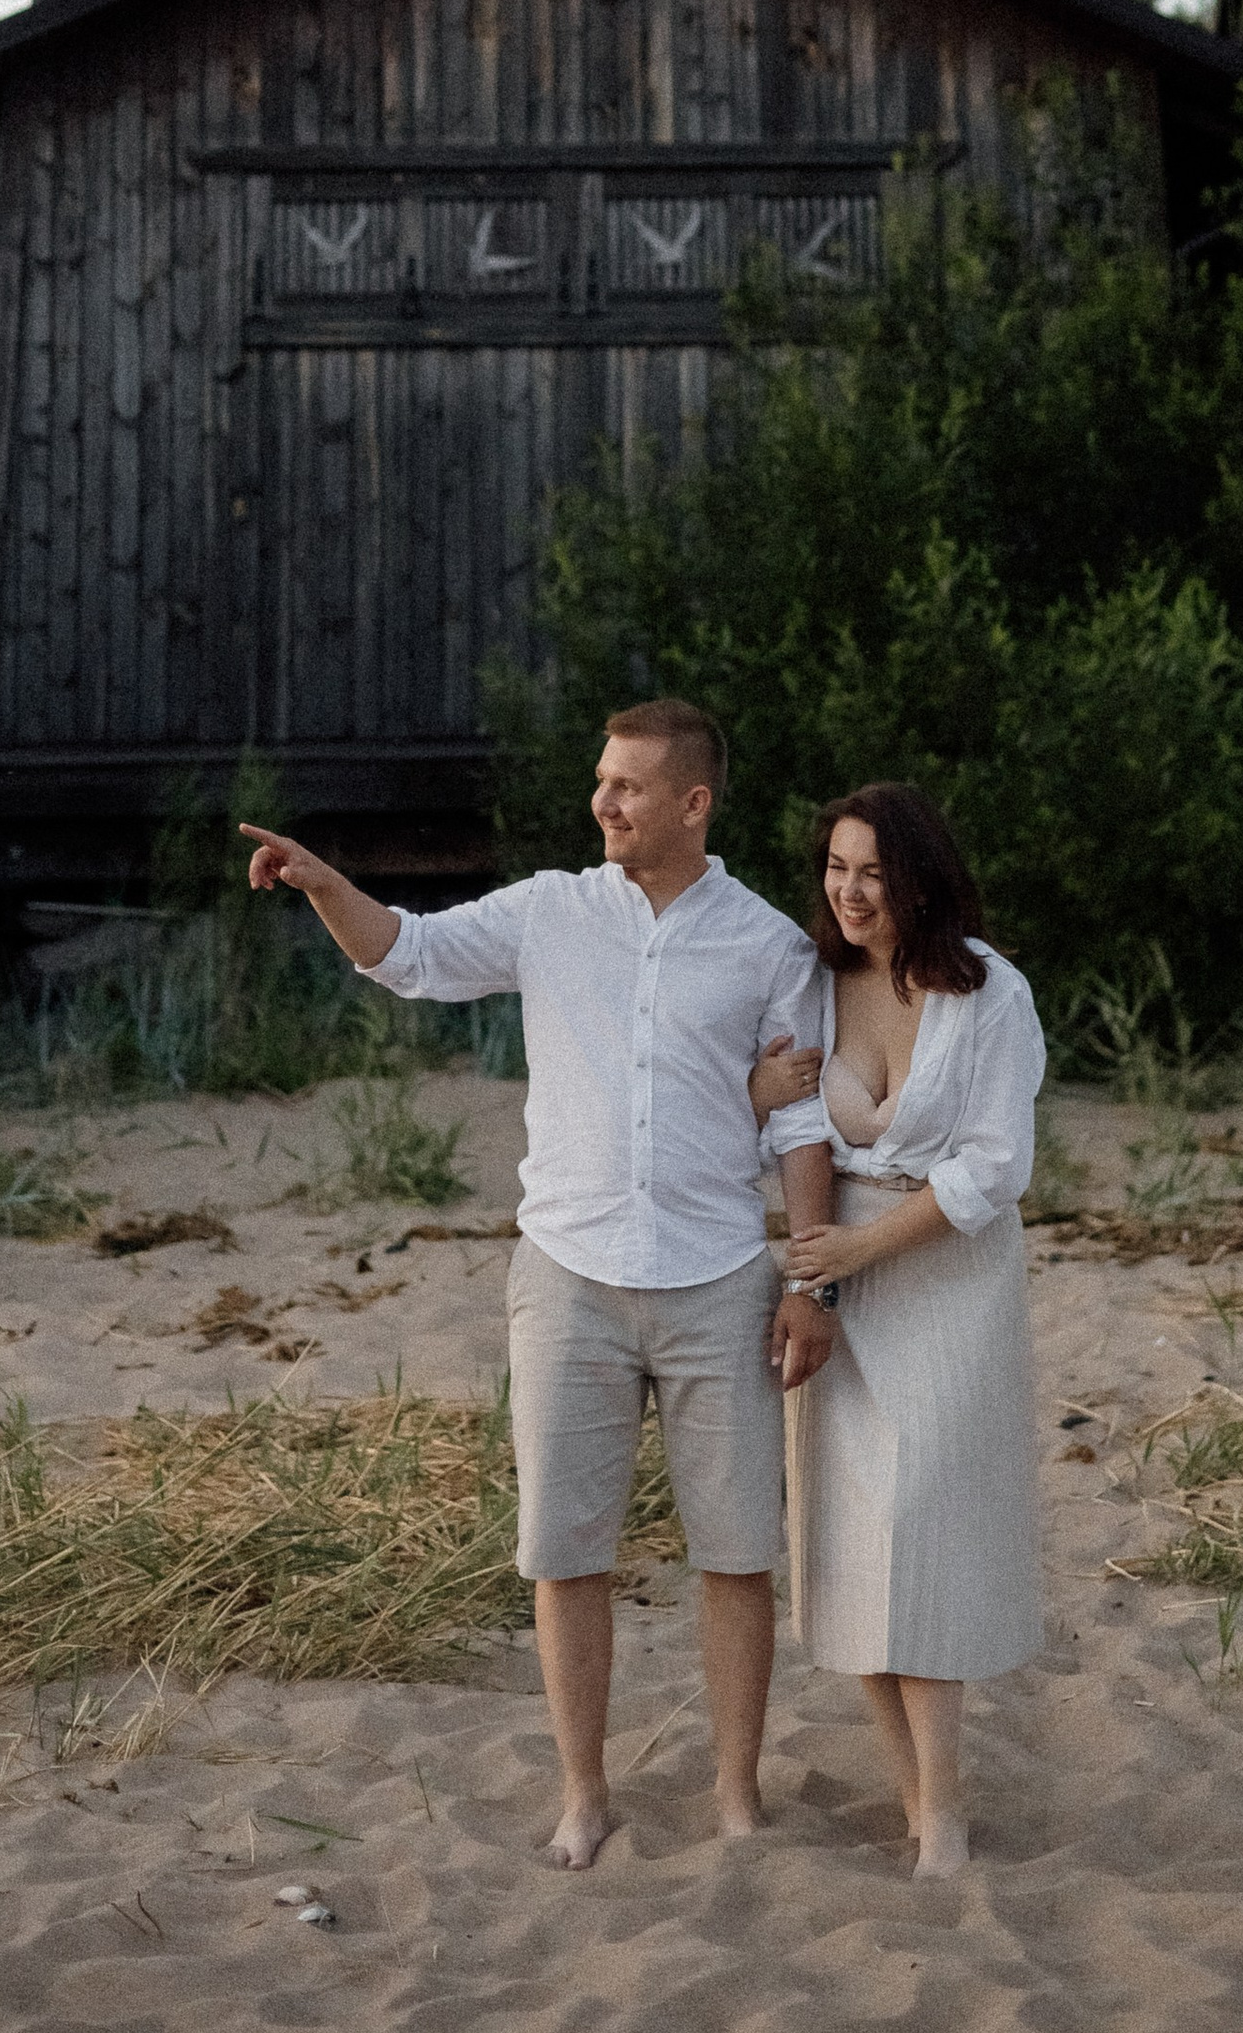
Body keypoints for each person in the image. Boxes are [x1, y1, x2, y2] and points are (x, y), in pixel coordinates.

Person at [240, 697, 838, 1869]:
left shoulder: (768, 944)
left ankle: (735, 1795)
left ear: (693, 803)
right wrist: (323, 885)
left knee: (736, 1551)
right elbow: (404, 955)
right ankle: (583, 1795)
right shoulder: (550, 911)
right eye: (601, 781)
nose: (602, 800)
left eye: (626, 785)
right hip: (567, 1275)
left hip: (719, 1275)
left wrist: (810, 1287)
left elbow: (801, 1121)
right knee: (565, 1549)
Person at [750, 782, 1046, 1876]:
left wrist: (864, 1253)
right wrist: (818, 1270)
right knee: (853, 1544)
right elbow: (789, 1125)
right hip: (835, 1267)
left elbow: (995, 1165)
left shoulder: (989, 991)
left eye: (872, 871)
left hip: (945, 1272)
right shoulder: (815, 985)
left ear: (919, 875)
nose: (850, 892)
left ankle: (951, 1808)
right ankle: (915, 1800)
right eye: (835, 868)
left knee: (923, 1525)